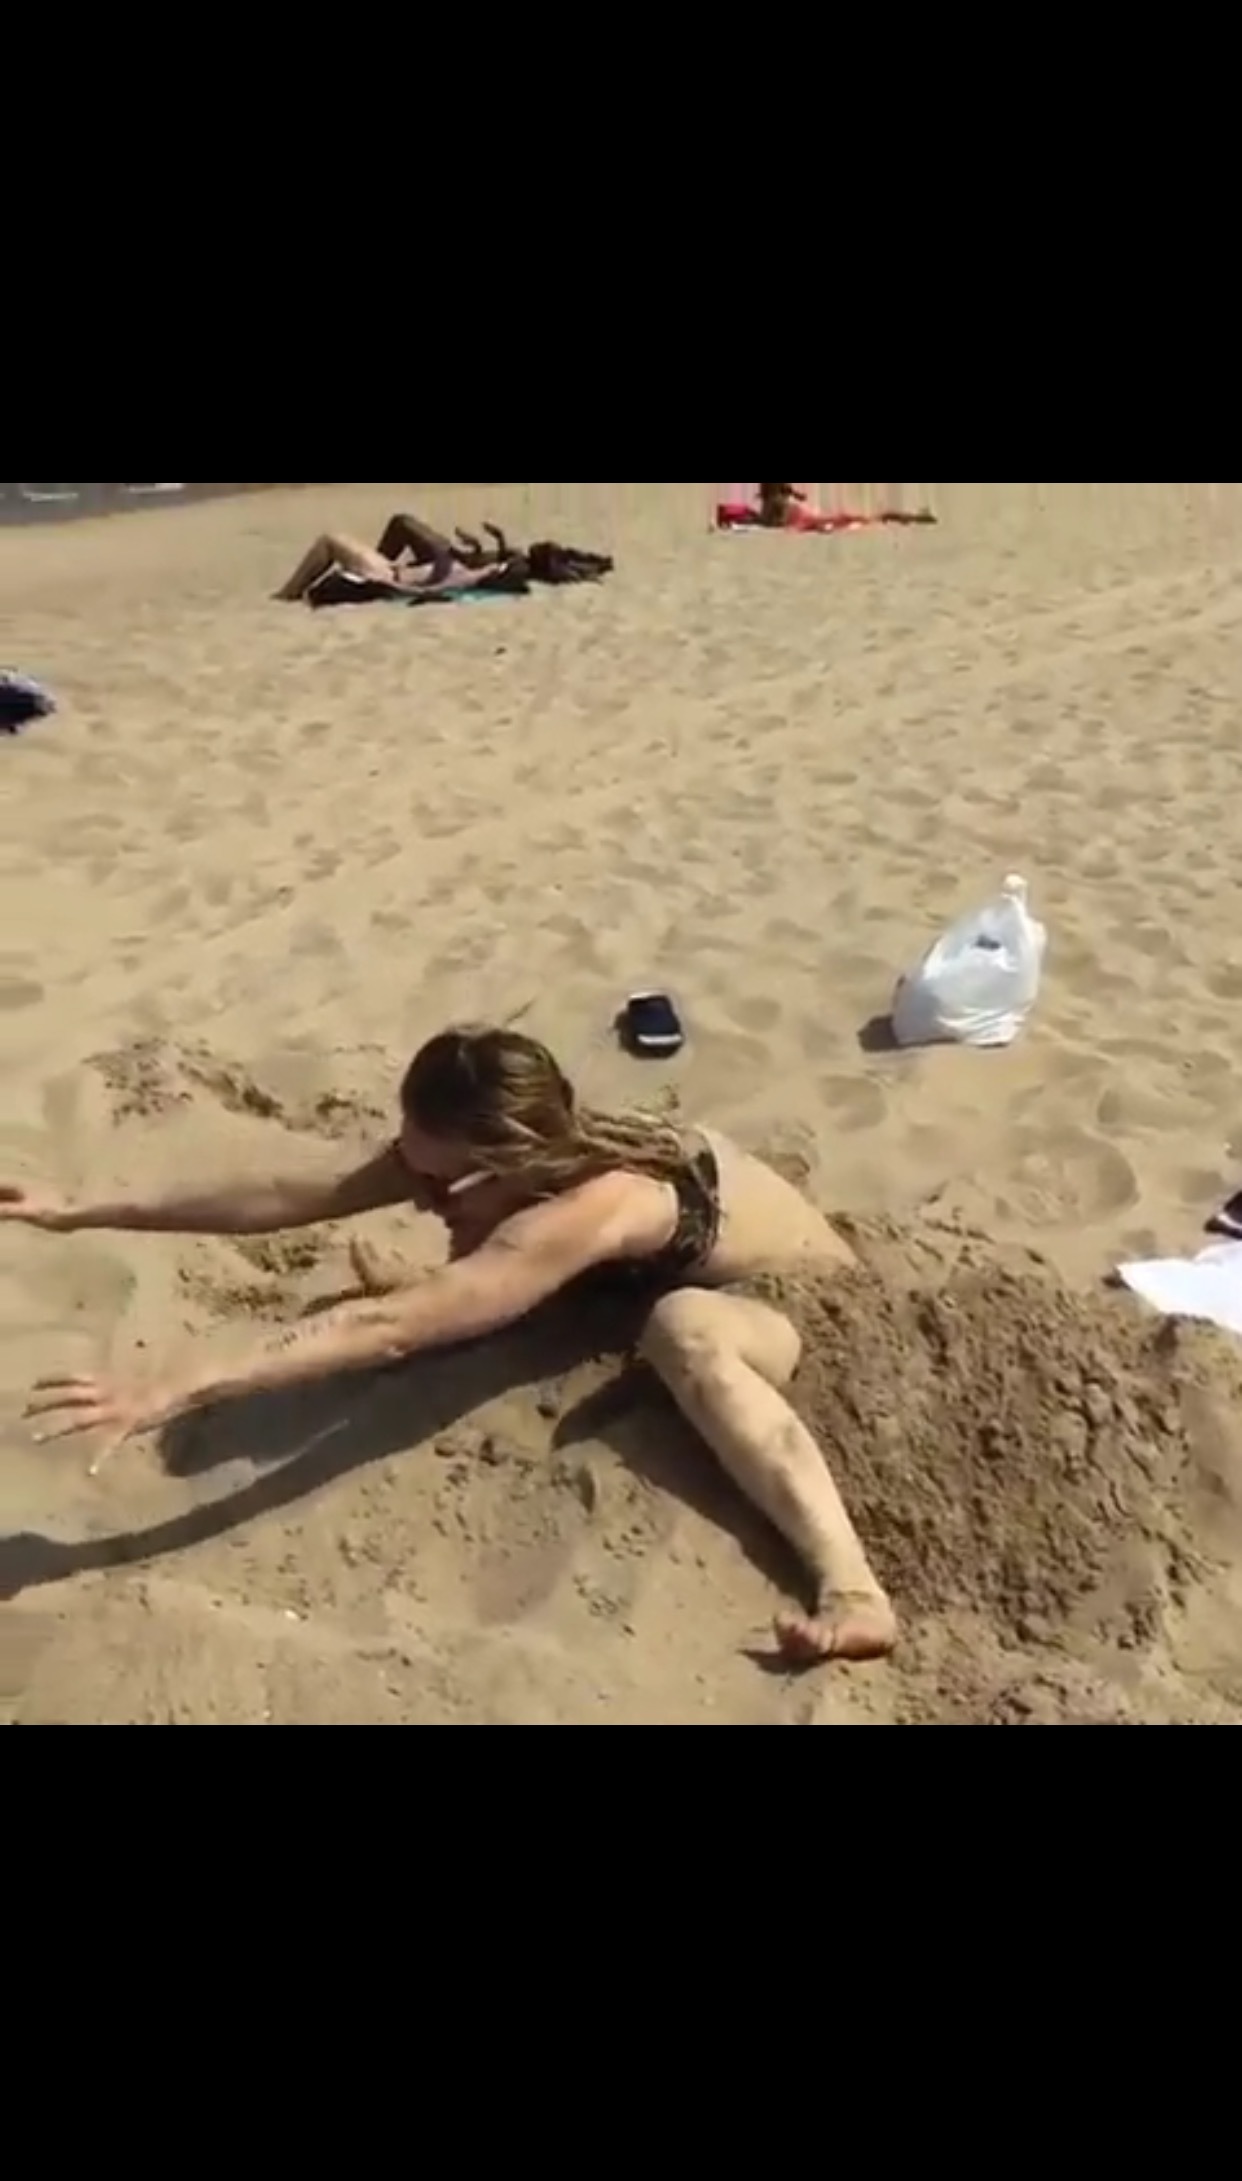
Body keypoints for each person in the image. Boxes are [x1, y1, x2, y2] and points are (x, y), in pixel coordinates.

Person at [3, 1029, 897, 1669]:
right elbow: (285, 1191)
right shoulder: (508, 1155)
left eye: (439, 1183)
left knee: (682, 1331)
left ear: (513, 1158)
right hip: (636, 1270)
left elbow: (388, 1329)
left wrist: (180, 1381)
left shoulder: (592, 1206)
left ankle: (855, 1591)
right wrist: (80, 1209)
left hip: (794, 1304)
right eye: (413, 1167)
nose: (421, 1196)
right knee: (509, 1278)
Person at [275, 513, 526, 603]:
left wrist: (388, 584)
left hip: (387, 575)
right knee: (333, 541)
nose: (494, 561)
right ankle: (290, 592)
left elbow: (428, 592)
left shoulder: (467, 576)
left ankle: (288, 594)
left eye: (498, 563)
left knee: (330, 540)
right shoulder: (465, 568)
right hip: (390, 570)